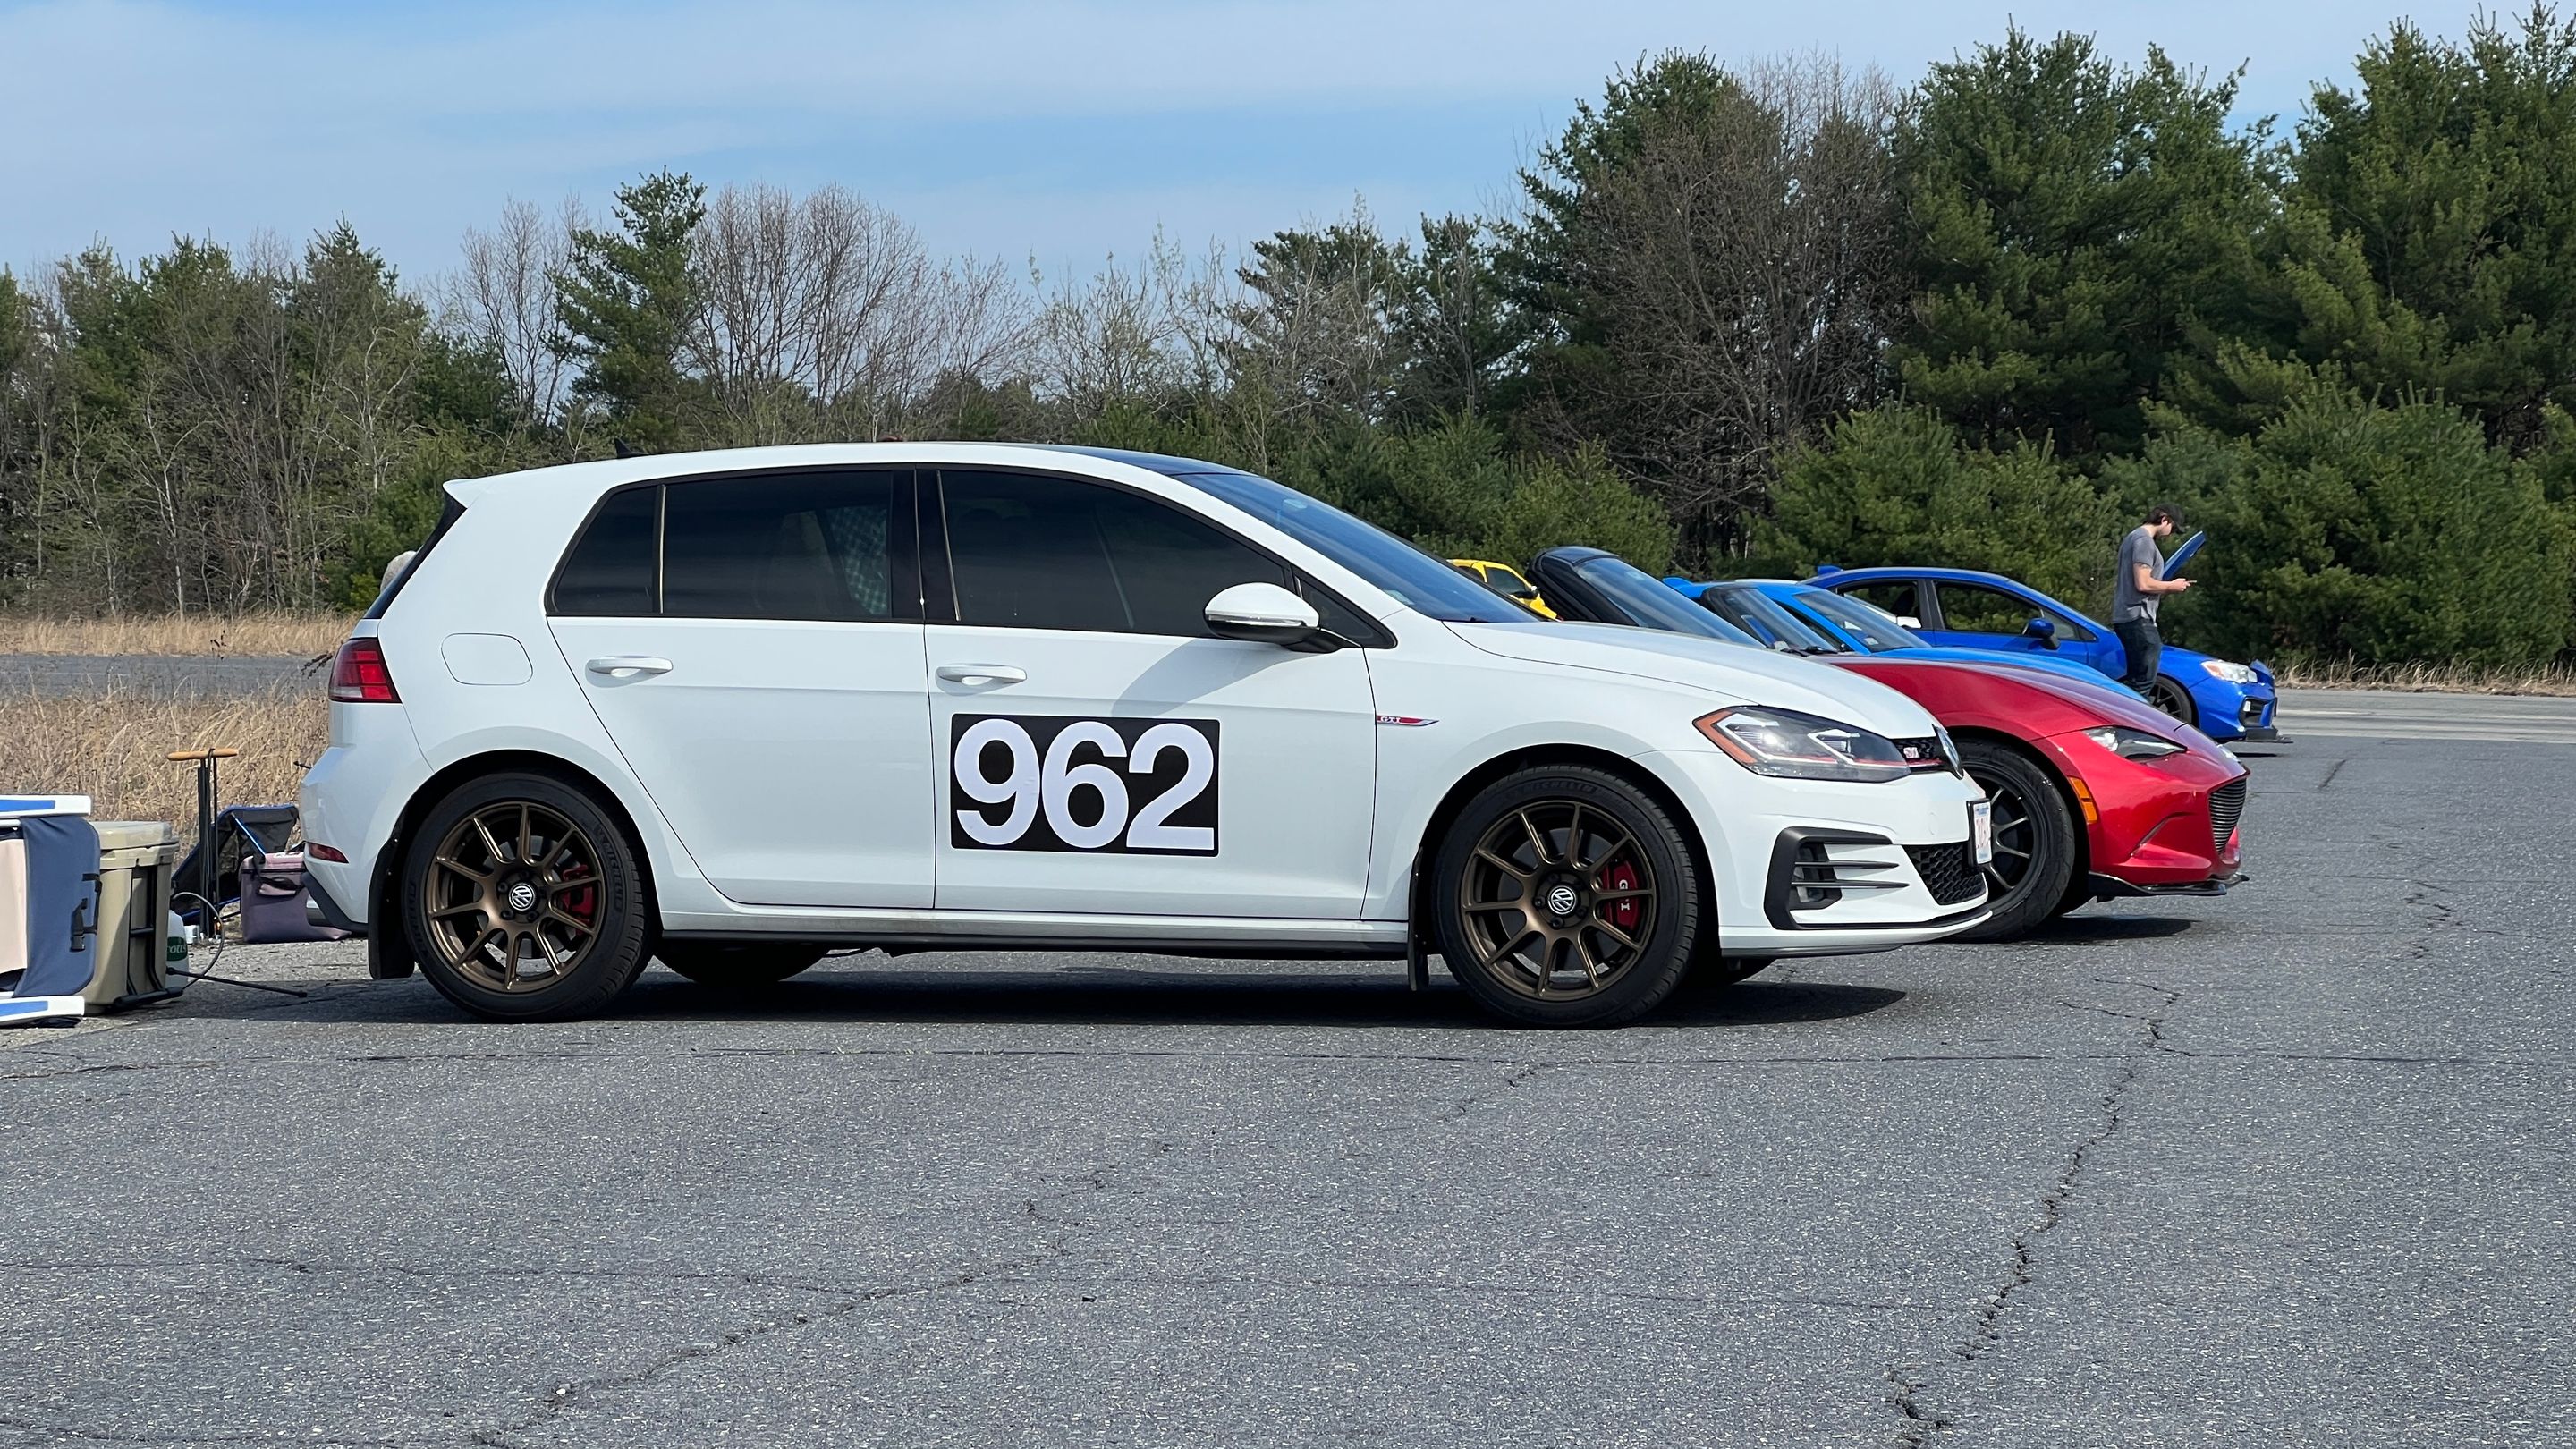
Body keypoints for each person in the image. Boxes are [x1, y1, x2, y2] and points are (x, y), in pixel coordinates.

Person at [2113, 504, 2191, 692]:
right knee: (2143, 682)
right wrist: (2172, 586)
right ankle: (2133, 720)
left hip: (2127, 616)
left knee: (2135, 679)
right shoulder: (2144, 541)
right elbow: (2143, 583)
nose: (2170, 534)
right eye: (2172, 528)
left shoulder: (2132, 537)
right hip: (2138, 617)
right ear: (2164, 519)